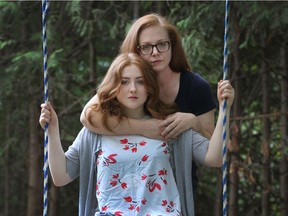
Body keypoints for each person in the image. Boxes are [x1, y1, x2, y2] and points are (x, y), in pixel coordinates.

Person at [39, 53, 234, 216]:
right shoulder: (95, 132)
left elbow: (215, 157)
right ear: (113, 87)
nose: (132, 89)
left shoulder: (168, 126)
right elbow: (61, 175)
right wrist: (53, 129)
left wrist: (225, 110)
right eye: (124, 82)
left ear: (149, 87)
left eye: (140, 82)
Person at [80, 13, 217, 194]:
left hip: (177, 187)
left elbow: (212, 147)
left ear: (172, 46)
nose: (155, 52)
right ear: (135, 51)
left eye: (161, 44)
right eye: (146, 47)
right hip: (128, 189)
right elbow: (88, 116)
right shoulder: (126, 83)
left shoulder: (195, 87)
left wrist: (193, 122)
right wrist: (143, 127)